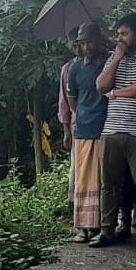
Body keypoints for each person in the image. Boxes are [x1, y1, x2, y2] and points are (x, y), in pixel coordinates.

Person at [91, 13, 136, 251]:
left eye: (124, 34)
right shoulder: (115, 57)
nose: (119, 38)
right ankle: (107, 230)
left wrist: (115, 95)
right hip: (113, 129)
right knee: (110, 184)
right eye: (118, 34)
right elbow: (101, 86)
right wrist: (117, 59)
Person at [67, 22, 110, 243]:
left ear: (100, 40)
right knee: (83, 181)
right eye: (82, 43)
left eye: (90, 41)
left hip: (108, 129)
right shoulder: (75, 69)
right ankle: (83, 226)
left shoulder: (110, 63)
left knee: (105, 180)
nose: (87, 46)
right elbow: (72, 101)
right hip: (84, 130)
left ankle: (102, 226)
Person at [60, 27, 82, 200]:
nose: (79, 50)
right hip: (77, 124)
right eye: (75, 46)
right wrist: (66, 130)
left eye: (81, 44)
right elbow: (64, 103)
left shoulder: (102, 64)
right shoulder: (68, 69)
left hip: (100, 122)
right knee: (77, 165)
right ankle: (73, 202)